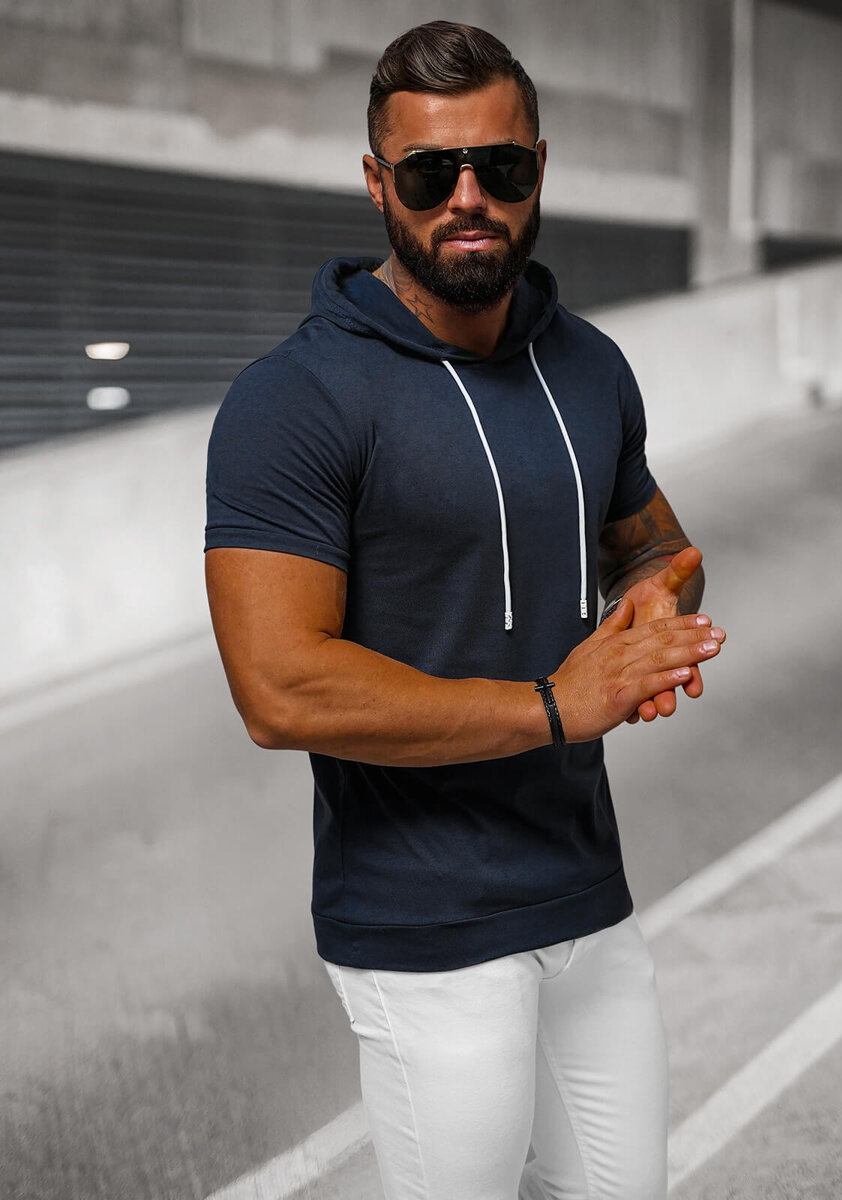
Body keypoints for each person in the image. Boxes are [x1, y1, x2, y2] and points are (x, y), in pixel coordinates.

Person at [204, 20, 726, 1200]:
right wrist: (555, 703)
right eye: (432, 173)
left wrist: (656, 613)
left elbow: (656, 547)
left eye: (499, 166)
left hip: (584, 890)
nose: (469, 198)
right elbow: (279, 689)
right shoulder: (296, 399)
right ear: (377, 182)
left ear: (539, 166)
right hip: (423, 926)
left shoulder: (588, 365)